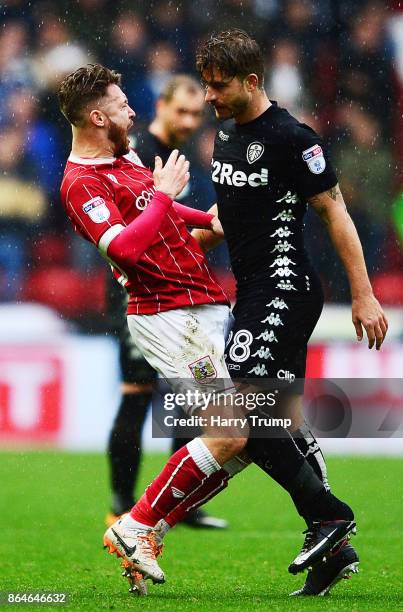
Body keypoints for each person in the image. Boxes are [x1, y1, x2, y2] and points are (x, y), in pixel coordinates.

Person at [58, 63, 362, 595]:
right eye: (123, 102)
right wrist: (161, 196)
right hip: (165, 316)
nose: (134, 109)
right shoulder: (79, 182)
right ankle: (136, 523)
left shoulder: (123, 156)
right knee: (235, 430)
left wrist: (211, 220)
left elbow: (168, 212)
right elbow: (126, 247)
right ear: (99, 116)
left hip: (202, 306)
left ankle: (150, 527)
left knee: (249, 438)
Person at [191, 29, 388, 595]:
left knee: (250, 414)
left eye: (219, 86)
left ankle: (328, 515)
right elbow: (228, 215)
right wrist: (169, 249)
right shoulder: (228, 139)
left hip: (283, 289)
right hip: (251, 291)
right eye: (206, 85)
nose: (211, 96)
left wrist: (364, 293)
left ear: (252, 81)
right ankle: (332, 545)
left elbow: (335, 213)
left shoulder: (292, 138)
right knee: (278, 421)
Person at [106, 74, 228, 530]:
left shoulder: (187, 157)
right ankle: (120, 503)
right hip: (135, 288)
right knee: (137, 393)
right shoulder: (134, 151)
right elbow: (128, 237)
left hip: (175, 286)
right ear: (161, 105)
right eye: (182, 110)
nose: (189, 121)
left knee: (188, 396)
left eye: (197, 114)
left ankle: (183, 501)